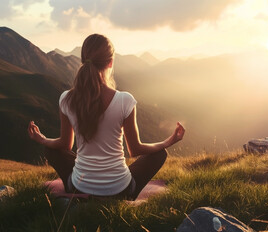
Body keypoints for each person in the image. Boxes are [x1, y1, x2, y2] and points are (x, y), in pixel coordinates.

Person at [27, 34, 185, 200]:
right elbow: (135, 149)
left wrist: (42, 139)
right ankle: (126, 195)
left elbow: (65, 144)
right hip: (121, 189)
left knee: (51, 149)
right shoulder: (125, 100)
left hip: (79, 185)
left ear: (83, 61)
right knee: (160, 154)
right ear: (110, 62)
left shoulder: (66, 99)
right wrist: (169, 141)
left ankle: (72, 187)